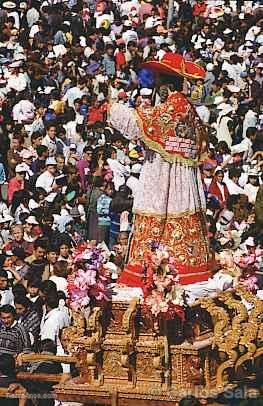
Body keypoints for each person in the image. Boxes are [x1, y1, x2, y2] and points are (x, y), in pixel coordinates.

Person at [110, 53, 211, 285]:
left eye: (157, 81)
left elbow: (140, 123)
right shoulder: (186, 108)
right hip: (177, 173)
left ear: (166, 83)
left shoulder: (175, 106)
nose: (155, 86)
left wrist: (112, 106)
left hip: (164, 173)